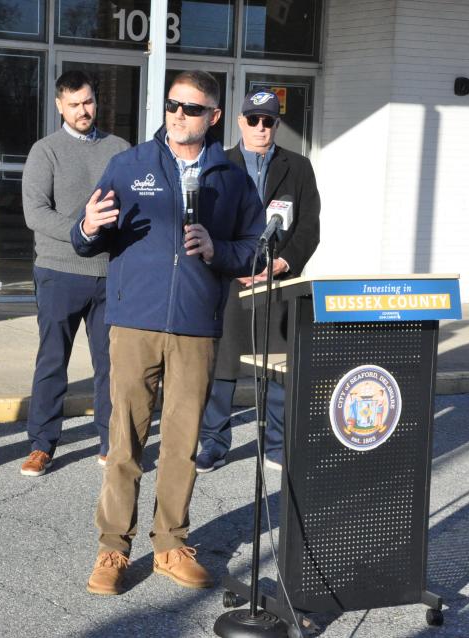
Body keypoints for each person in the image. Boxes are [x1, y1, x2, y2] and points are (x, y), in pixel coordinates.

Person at [72, 71, 264, 595]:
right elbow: (85, 239)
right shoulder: (129, 165)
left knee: (181, 442)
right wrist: (87, 226)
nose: (180, 114)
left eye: (193, 108)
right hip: (135, 321)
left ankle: (170, 545)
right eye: (173, 105)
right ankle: (112, 549)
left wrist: (218, 250)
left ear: (214, 118)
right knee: (125, 440)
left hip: (198, 327)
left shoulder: (231, 177)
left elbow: (255, 246)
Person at [195, 89, 321, 474]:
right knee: (223, 366)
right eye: (253, 119)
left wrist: (282, 262)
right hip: (230, 282)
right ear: (239, 121)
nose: (261, 128)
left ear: (277, 124)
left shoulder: (298, 167)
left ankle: (276, 445)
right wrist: (227, 262)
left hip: (278, 283)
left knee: (277, 367)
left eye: (268, 121)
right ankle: (214, 442)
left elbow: (309, 227)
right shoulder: (218, 164)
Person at [19, 70, 130, 477]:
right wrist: (82, 229)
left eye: (88, 102)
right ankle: (42, 445)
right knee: (52, 360)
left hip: (108, 274)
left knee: (110, 363)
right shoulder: (44, 151)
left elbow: (132, 206)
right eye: (74, 104)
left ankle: (109, 440)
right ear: (59, 106)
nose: (83, 110)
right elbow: (36, 214)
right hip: (58, 271)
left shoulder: (119, 149)